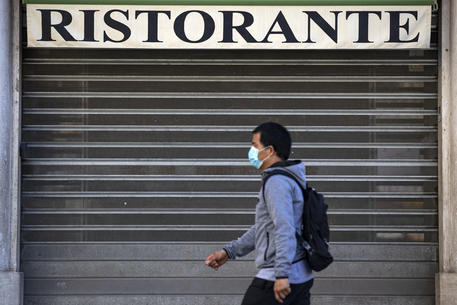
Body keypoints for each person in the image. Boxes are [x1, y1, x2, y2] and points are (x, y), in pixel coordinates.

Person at [205, 122, 314, 305]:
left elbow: (284, 228)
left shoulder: (277, 182)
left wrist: (281, 274)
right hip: (299, 274)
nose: (251, 150)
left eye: (255, 145)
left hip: (278, 277)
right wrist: (229, 251)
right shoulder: (288, 179)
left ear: (269, 150)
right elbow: (265, 228)